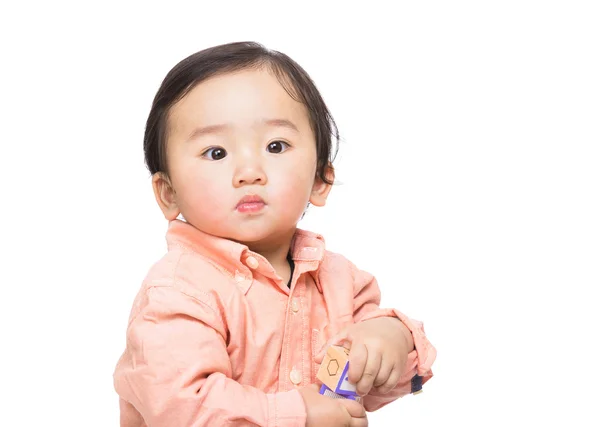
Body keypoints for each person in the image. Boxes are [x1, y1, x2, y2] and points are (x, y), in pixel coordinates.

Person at [113, 41, 437, 427]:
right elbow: (182, 406)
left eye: (275, 146)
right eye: (216, 153)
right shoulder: (178, 291)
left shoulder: (339, 283)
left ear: (320, 179)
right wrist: (298, 414)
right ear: (169, 193)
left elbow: (365, 383)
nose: (250, 171)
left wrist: (390, 340)